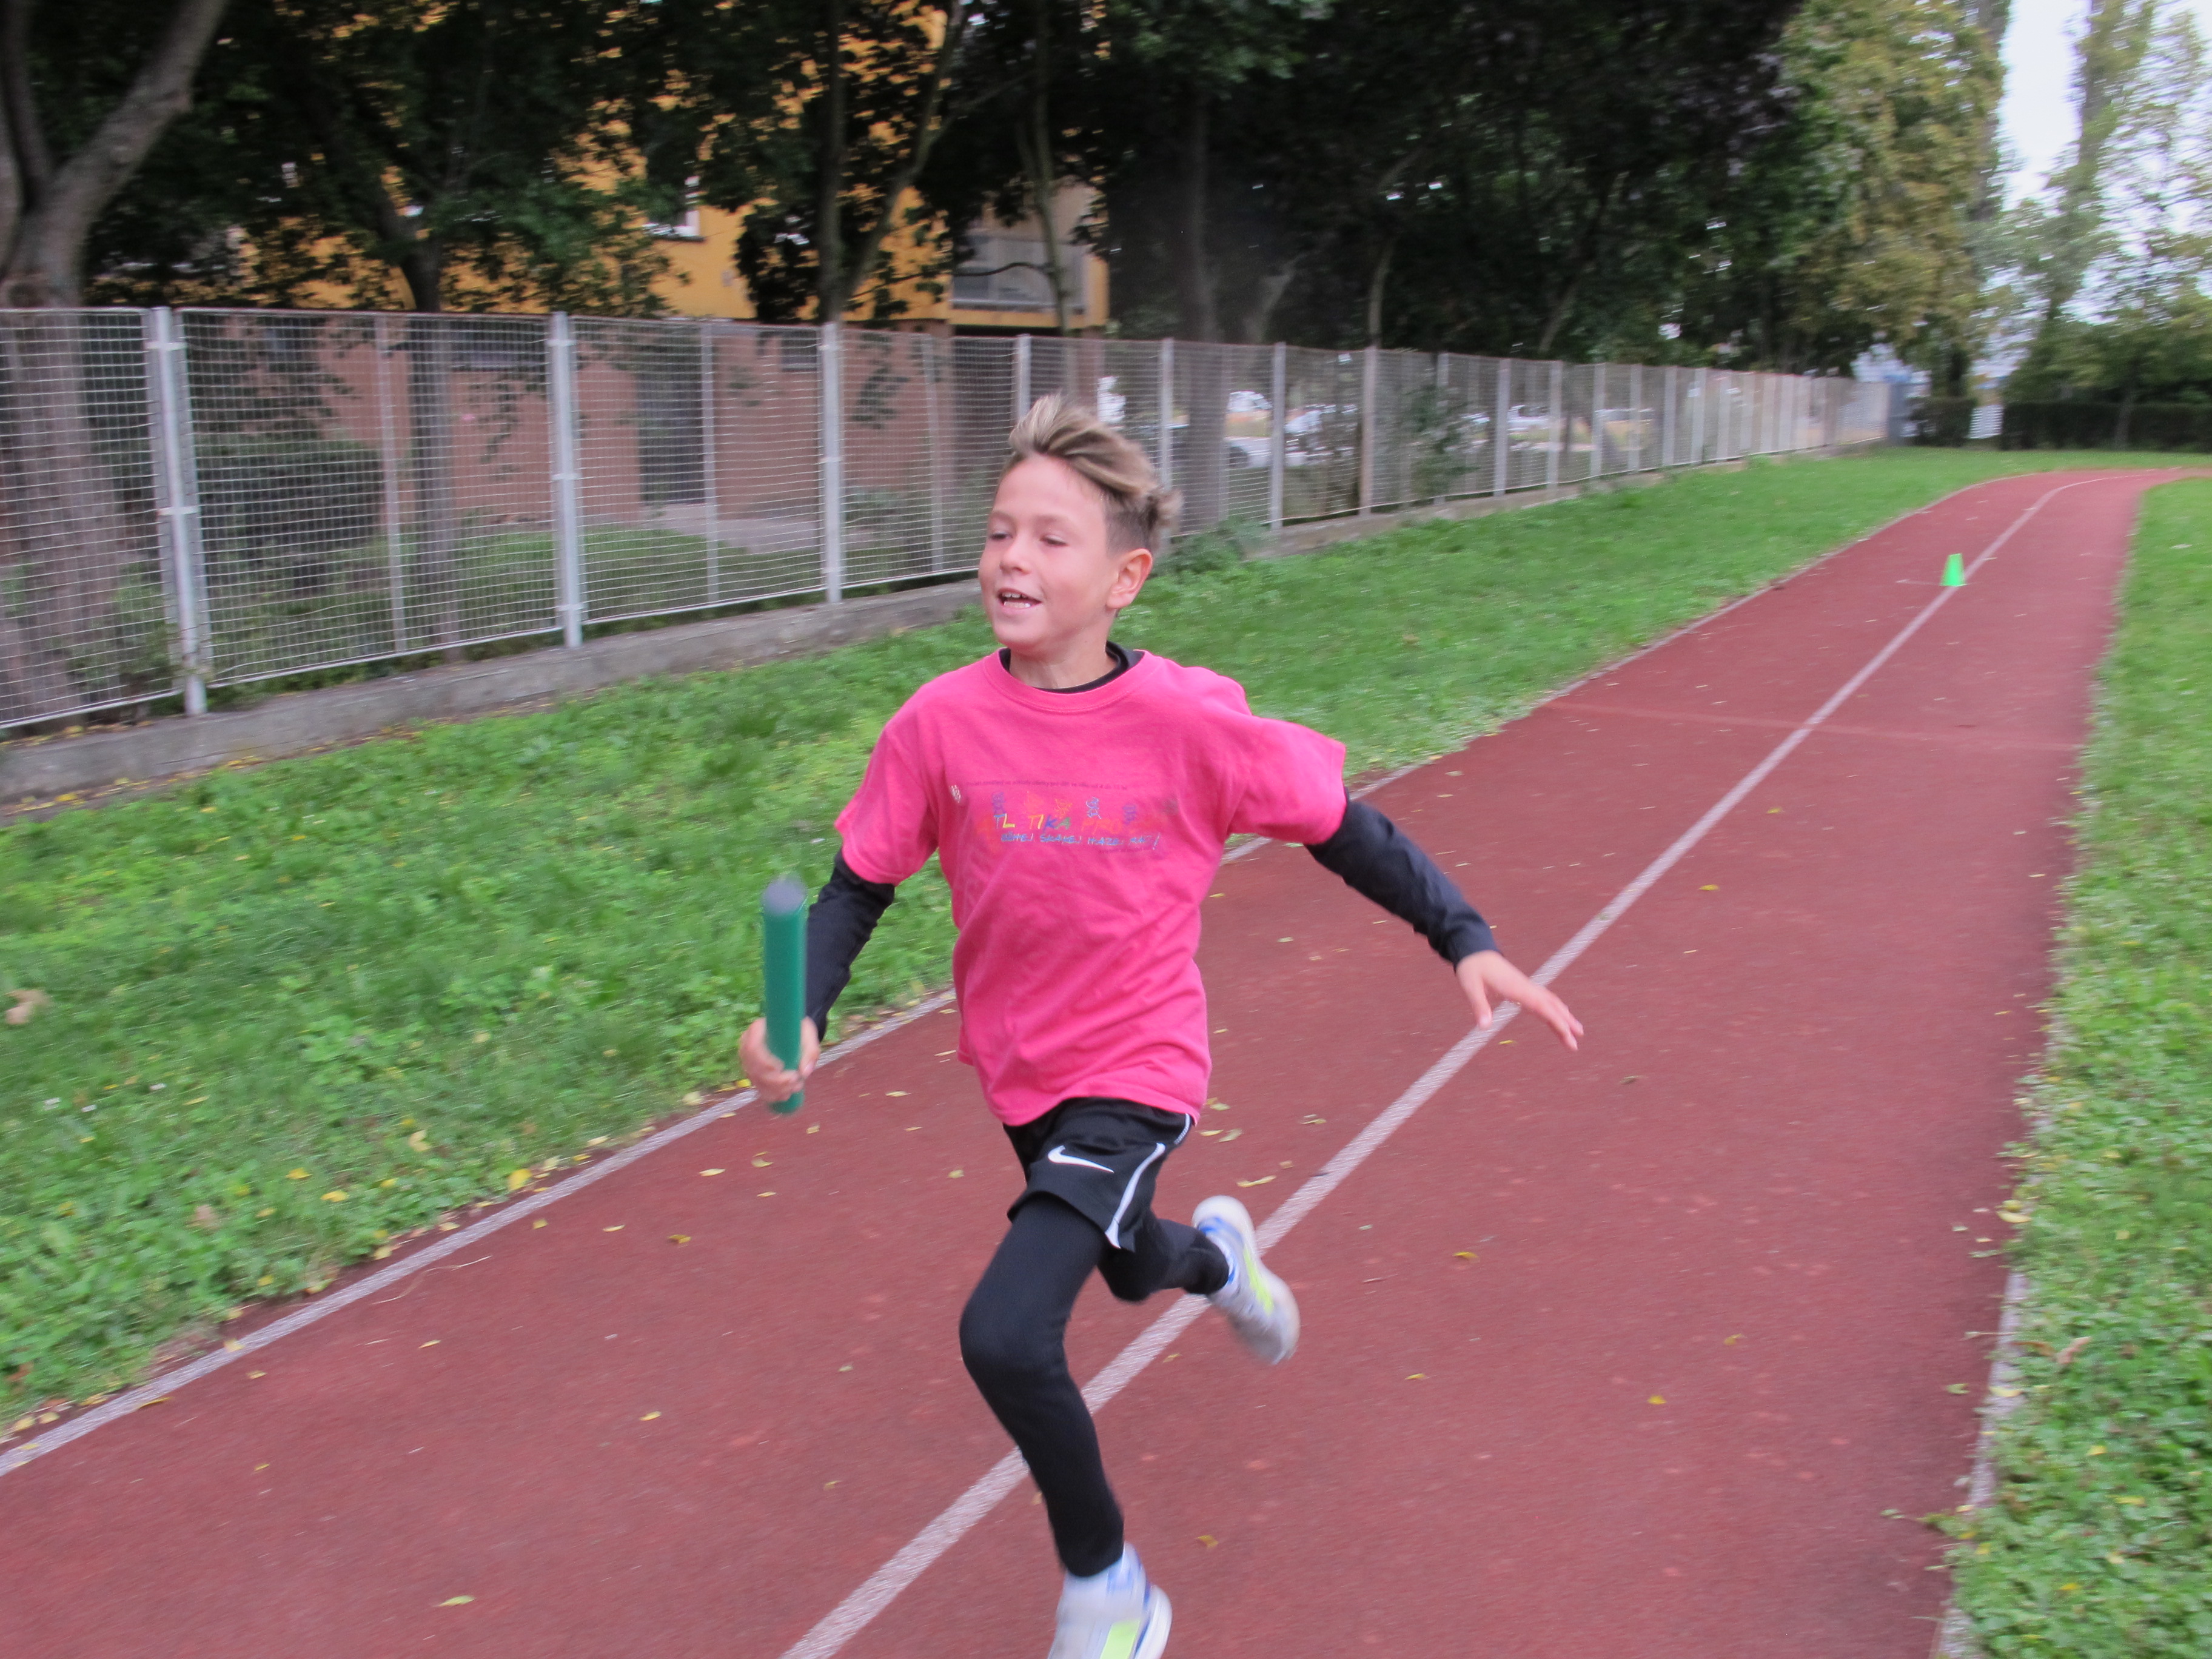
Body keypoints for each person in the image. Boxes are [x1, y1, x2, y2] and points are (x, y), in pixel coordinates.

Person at [739, 395, 1581, 1659]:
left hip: (1138, 1071)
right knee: (1132, 1268)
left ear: (1124, 578)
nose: (1013, 558)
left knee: (1005, 1335)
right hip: (1021, 1073)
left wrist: (1465, 937)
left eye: (1051, 538)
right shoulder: (940, 722)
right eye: (1000, 531)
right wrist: (800, 1013)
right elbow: (860, 883)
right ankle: (1222, 1264)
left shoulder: (1189, 723)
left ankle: (1111, 1591)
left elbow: (1342, 826)